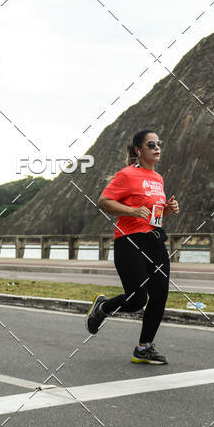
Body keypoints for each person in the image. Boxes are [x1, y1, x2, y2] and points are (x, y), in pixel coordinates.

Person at [85, 129, 179, 364]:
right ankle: (103, 307)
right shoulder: (127, 175)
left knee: (160, 295)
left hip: (154, 240)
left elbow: (151, 214)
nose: (157, 147)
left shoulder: (158, 178)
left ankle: (144, 347)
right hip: (129, 241)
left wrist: (167, 209)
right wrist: (131, 211)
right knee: (137, 299)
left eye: (159, 143)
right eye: (151, 144)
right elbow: (104, 201)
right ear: (138, 150)